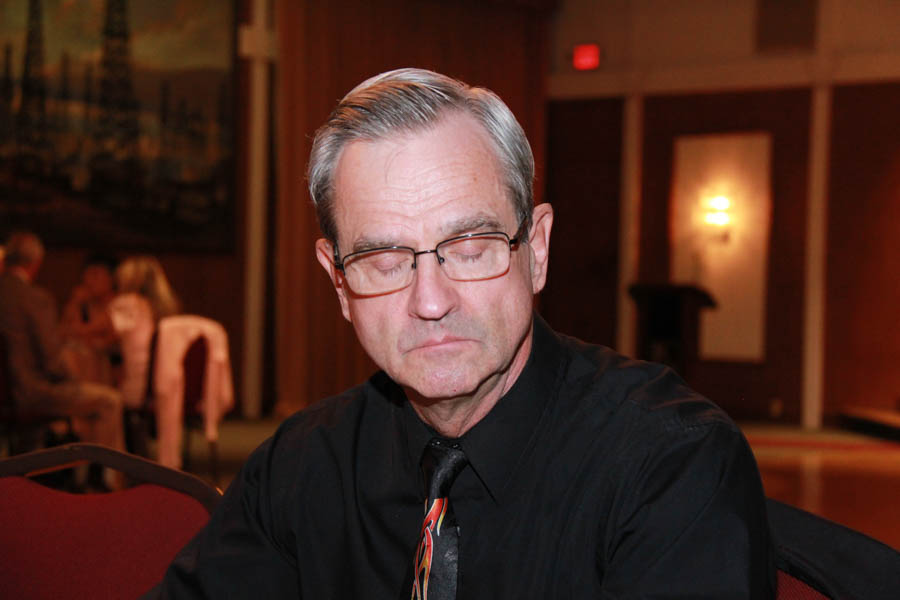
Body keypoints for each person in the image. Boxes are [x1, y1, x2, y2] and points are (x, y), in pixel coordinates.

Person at [148, 69, 774, 598]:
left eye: (471, 248)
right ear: (338, 283)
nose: (430, 302)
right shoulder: (302, 465)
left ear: (537, 250)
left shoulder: (671, 466)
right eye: (384, 261)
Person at [0, 232, 124, 455]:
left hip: (9, 393)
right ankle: (104, 473)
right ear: (36, 263)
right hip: (31, 393)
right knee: (109, 401)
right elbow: (52, 360)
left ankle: (36, 464)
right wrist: (73, 382)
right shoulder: (34, 298)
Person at [107, 256, 181, 455]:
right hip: (166, 385)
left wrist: (80, 301)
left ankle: (106, 461)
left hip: (137, 385)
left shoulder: (127, 304)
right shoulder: (167, 307)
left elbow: (101, 334)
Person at [59, 252, 119, 385]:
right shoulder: (84, 304)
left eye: (95, 275)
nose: (89, 280)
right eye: (86, 275)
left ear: (112, 279)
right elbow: (62, 333)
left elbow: (109, 340)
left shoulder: (119, 305)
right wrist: (74, 303)